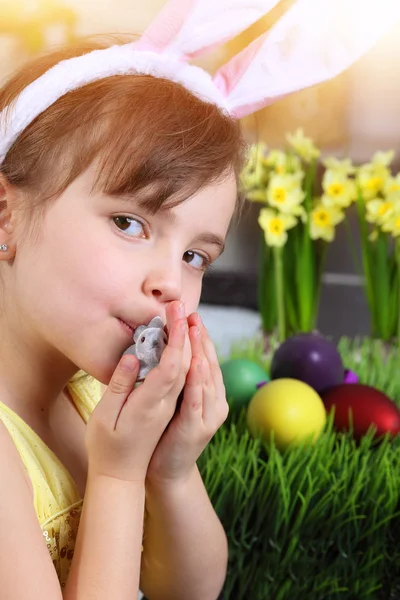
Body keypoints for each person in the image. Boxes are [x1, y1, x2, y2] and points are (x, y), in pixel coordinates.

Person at [0, 1, 395, 598]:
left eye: (195, 258)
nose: (172, 283)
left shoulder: (89, 395)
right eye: (130, 223)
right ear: (5, 215)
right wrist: (116, 473)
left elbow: (189, 590)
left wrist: (172, 470)